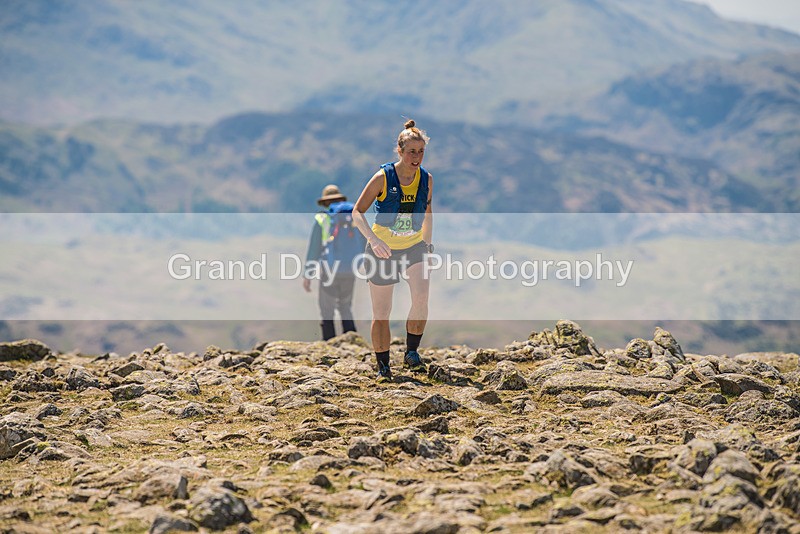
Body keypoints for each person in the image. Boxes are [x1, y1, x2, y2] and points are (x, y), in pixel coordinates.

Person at [352, 119, 434, 382]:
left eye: (421, 151)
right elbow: (357, 212)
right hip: (382, 250)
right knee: (382, 312)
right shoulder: (382, 178)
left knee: (421, 298)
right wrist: (373, 240)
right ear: (399, 151)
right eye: (412, 152)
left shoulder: (427, 179)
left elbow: (428, 212)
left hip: (414, 246)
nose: (417, 157)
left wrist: (427, 244)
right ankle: (383, 365)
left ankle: (411, 353)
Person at [303, 184, 361, 340]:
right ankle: (353, 342)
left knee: (327, 309)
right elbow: (363, 243)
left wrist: (307, 274)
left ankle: (329, 343)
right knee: (346, 307)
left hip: (329, 270)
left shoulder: (323, 219)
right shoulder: (353, 217)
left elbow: (314, 248)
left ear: (325, 203)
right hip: (351, 269)